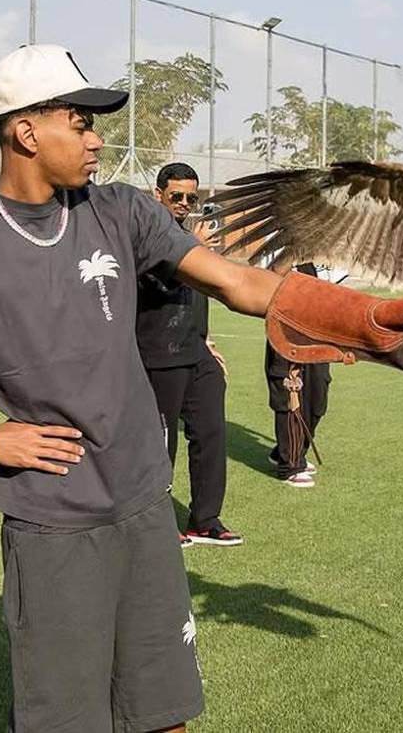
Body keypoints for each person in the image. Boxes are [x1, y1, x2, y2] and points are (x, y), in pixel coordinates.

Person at [0, 43, 403, 732]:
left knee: (165, 713)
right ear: (26, 132)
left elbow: (237, 281)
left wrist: (370, 323)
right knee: (69, 721)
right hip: (55, 521)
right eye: (80, 122)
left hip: (146, 498)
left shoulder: (119, 210)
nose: (96, 139)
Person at [138, 162, 240, 547]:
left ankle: (205, 520)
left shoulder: (190, 238)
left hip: (196, 353)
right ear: (158, 195)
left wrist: (208, 342)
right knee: (162, 444)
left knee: (212, 434)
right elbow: (158, 284)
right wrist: (194, 248)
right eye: (176, 196)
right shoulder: (145, 237)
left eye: (191, 198)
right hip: (158, 354)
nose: (183, 203)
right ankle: (160, 523)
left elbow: (202, 294)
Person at [266, 263, 332, 489]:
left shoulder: (317, 255)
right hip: (287, 329)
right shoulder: (284, 246)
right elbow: (273, 274)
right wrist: (296, 249)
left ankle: (285, 451)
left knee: (317, 396)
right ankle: (291, 464)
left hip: (319, 330)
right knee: (290, 395)